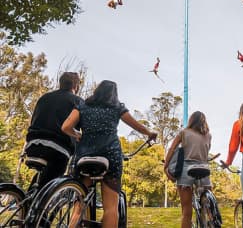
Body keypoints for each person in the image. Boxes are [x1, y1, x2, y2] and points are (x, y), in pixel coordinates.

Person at [61, 80, 157, 228]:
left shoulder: (83, 105)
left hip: (84, 156)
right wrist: (149, 133)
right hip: (110, 155)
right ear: (114, 94)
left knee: (79, 204)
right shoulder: (116, 107)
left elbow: (66, 127)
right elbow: (136, 125)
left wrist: (78, 135)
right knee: (111, 208)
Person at [25, 72, 83, 188]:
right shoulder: (78, 102)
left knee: (44, 178)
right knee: (53, 183)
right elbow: (85, 128)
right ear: (75, 86)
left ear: (60, 83)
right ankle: (40, 204)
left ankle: (27, 202)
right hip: (58, 147)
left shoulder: (44, 97)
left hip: (32, 144)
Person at [164, 111, 212, 228]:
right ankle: (209, 218)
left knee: (186, 211)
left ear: (191, 120)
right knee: (207, 204)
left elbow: (172, 149)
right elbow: (206, 153)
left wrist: (166, 165)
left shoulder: (184, 133)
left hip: (187, 170)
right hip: (204, 170)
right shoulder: (208, 135)